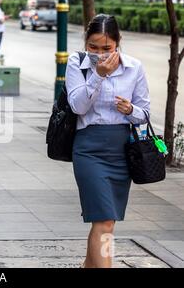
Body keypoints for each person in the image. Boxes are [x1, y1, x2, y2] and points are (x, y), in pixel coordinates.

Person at [66, 14, 150, 268]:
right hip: (89, 149)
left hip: (121, 150)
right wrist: (98, 75)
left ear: (118, 44)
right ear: (85, 42)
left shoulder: (134, 67)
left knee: (107, 221)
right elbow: (77, 106)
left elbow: (144, 113)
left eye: (107, 49)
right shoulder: (77, 64)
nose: (100, 54)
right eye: (93, 47)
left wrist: (130, 110)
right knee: (104, 220)